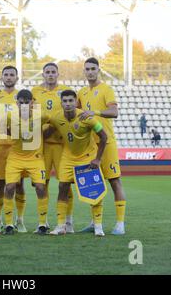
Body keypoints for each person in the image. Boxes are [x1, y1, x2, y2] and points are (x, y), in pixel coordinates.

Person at [45, 89, 108, 236]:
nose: (68, 104)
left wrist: (97, 159)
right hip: (68, 157)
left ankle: (98, 226)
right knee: (62, 187)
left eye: (70, 101)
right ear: (61, 103)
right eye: (65, 101)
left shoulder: (86, 117)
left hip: (87, 157)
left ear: (75, 102)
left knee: (95, 190)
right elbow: (48, 129)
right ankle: (61, 226)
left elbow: (104, 137)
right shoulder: (56, 117)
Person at [77, 57, 126, 235]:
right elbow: (74, 112)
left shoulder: (106, 89)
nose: (90, 72)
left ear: (98, 70)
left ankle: (120, 223)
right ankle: (94, 222)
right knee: (93, 184)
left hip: (107, 143)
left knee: (114, 181)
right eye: (87, 69)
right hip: (89, 145)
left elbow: (114, 112)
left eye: (93, 69)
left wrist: (95, 112)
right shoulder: (81, 92)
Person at [31, 62, 74, 233]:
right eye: (47, 72)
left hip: (61, 145)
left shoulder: (65, 90)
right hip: (42, 145)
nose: (50, 75)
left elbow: (73, 111)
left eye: (53, 72)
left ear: (58, 74)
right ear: (43, 74)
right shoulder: (35, 91)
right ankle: (44, 222)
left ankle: (68, 222)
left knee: (65, 183)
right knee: (42, 184)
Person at [3, 89, 49, 235]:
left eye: (26, 103)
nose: (23, 105)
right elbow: (2, 127)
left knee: (41, 187)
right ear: (16, 103)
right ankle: (9, 224)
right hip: (15, 157)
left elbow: (55, 122)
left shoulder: (40, 116)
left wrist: (43, 134)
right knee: (10, 187)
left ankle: (42, 224)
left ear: (32, 103)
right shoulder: (10, 116)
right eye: (21, 103)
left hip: (35, 158)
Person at [0, 66, 26, 232]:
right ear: (1, 77)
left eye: (12, 75)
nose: (9, 77)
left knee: (18, 184)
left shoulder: (22, 96)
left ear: (17, 78)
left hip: (16, 146)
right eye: (6, 74)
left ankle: (20, 219)